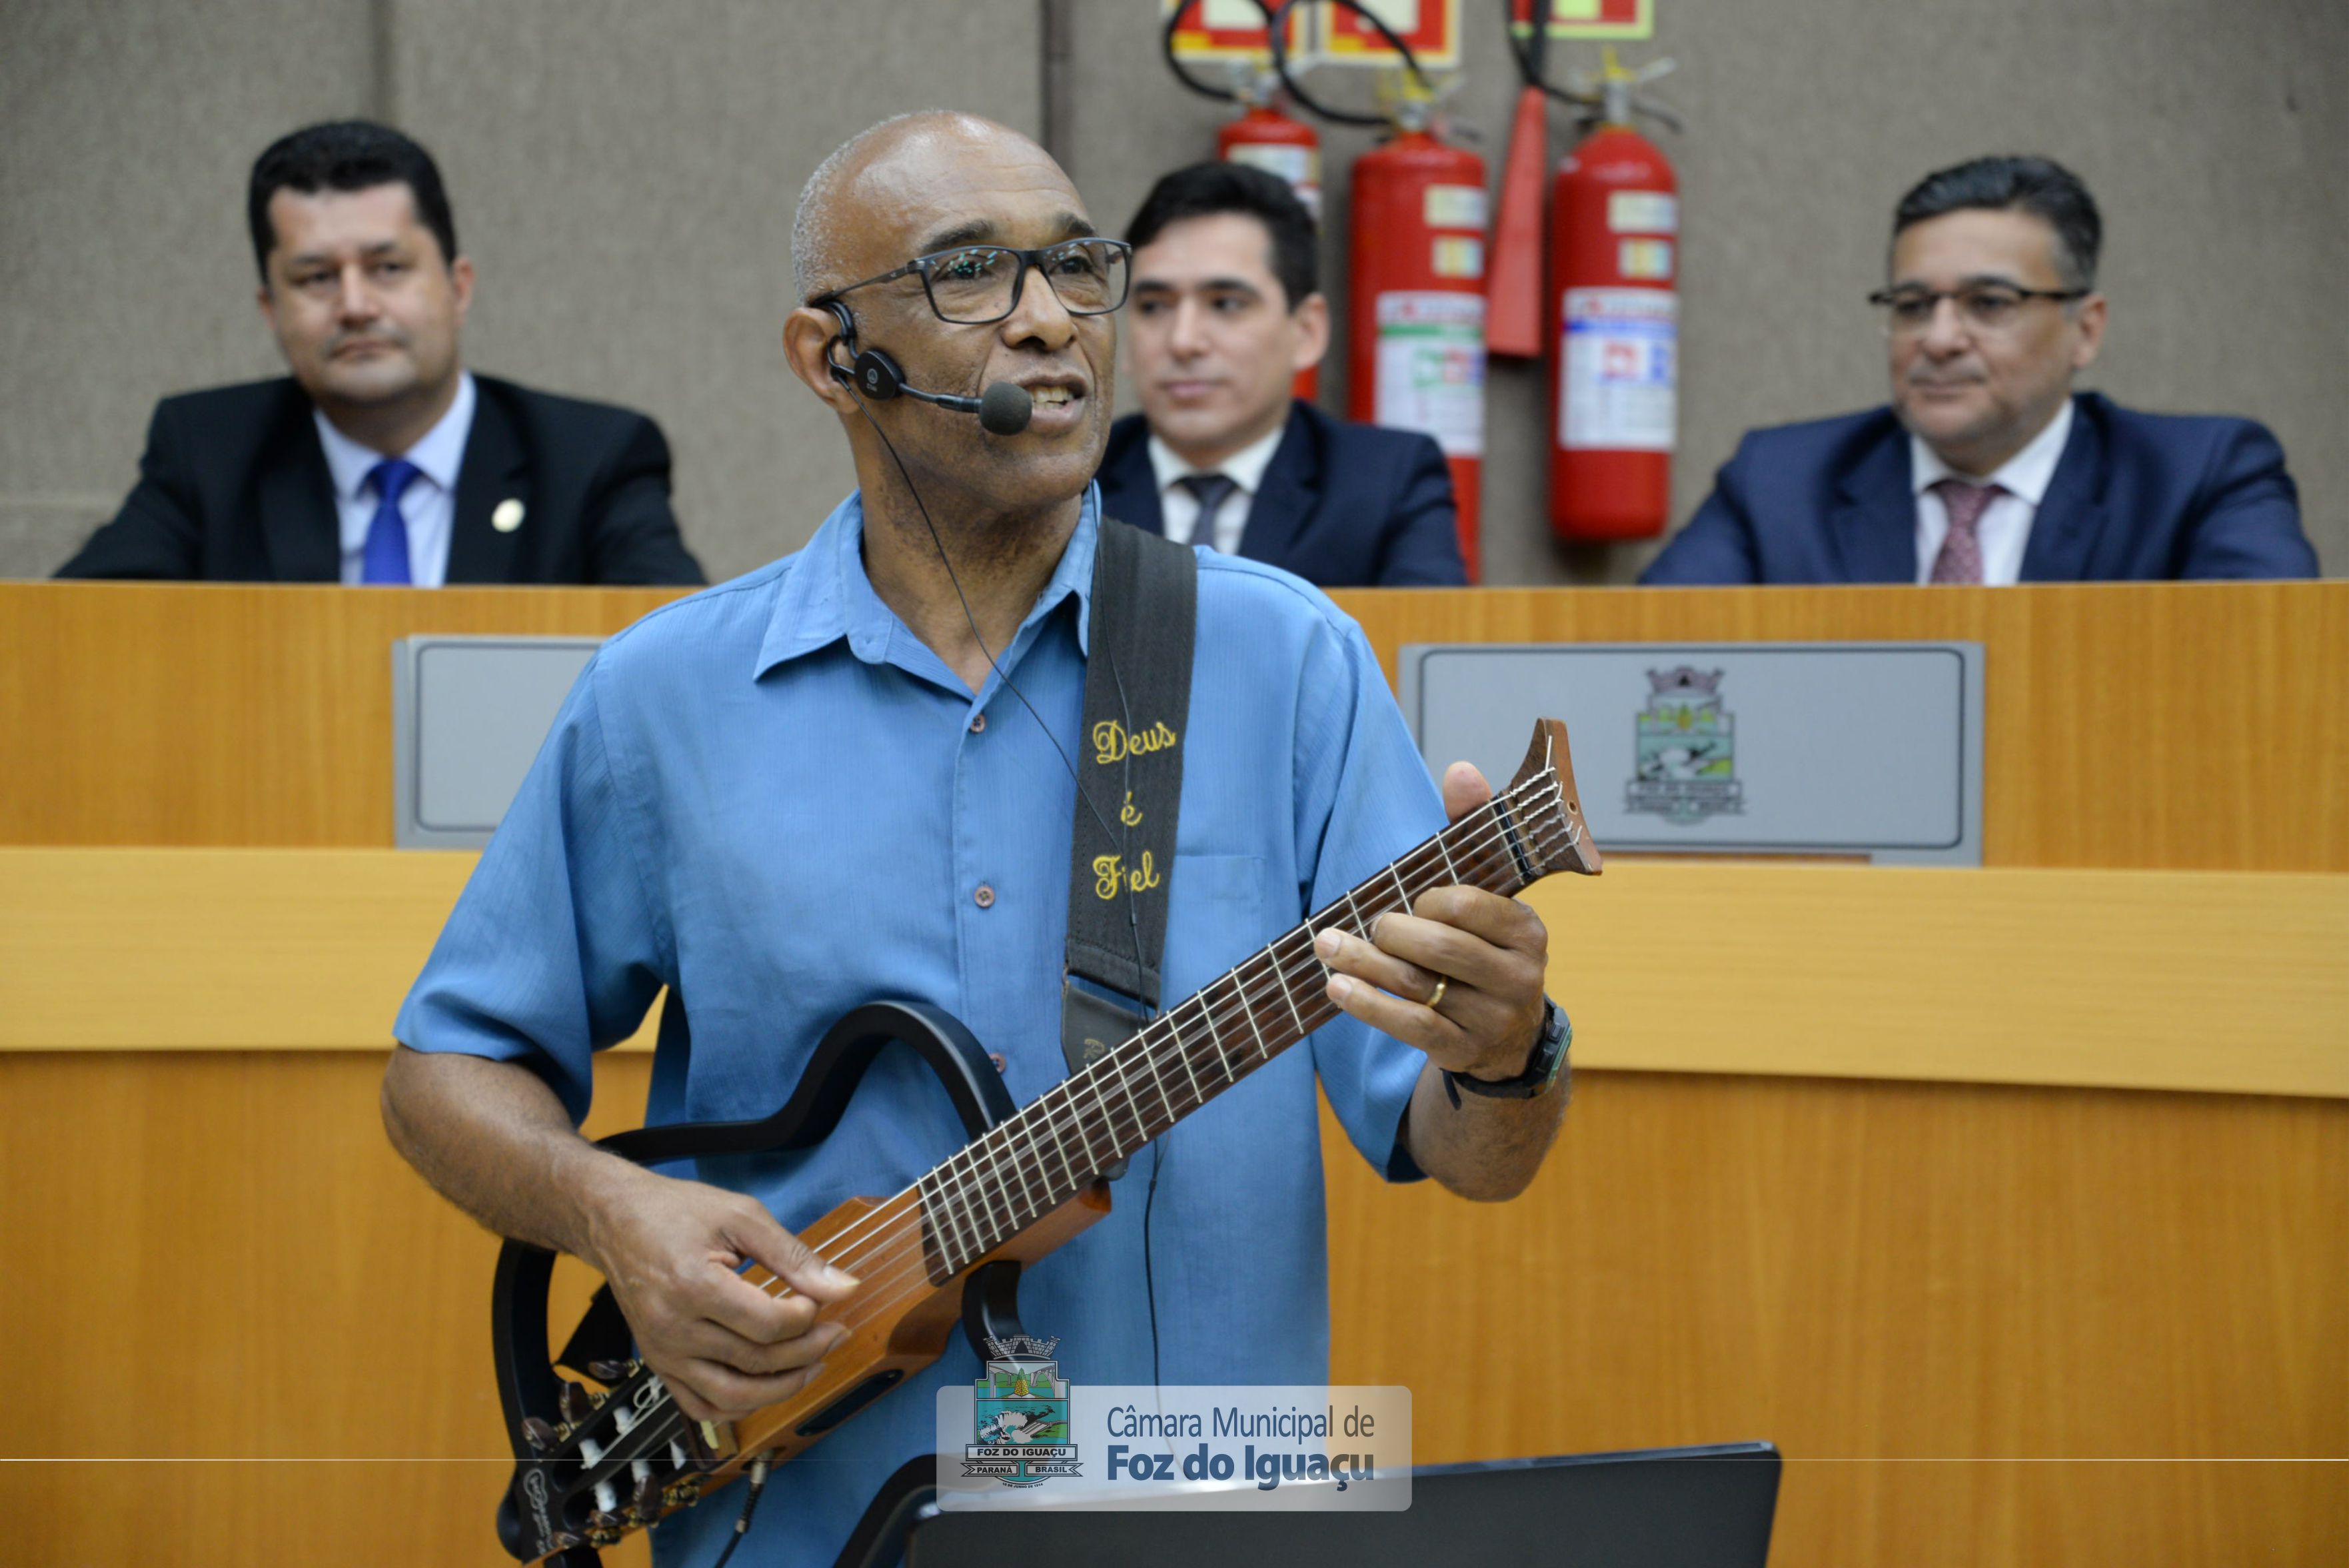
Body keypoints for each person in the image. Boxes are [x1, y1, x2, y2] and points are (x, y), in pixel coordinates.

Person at [379, 113, 1567, 1567]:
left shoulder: (1288, 657)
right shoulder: (664, 694)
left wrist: (1504, 1053)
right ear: (830, 357)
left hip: (1204, 1518)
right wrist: (617, 1213)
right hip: (792, 1520)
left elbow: (1475, 1155)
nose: (1049, 320)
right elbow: (442, 1074)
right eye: (968, 276)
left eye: (1077, 268)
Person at [55, 121, 704, 586]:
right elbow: (74, 634)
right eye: (315, 278)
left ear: (457, 287)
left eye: (387, 268)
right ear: (270, 310)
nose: (355, 304)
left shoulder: (592, 458)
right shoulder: (206, 453)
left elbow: (681, 654)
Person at [1642, 155, 2316, 584]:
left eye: (1988, 304)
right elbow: (1638, 668)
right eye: (1912, 306)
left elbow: (2263, 676)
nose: (1938, 339)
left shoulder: (2199, 477)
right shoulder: (1781, 484)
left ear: (2086, 329)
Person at [1093, 162, 1467, 587]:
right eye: (1154, 307)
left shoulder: (1386, 481)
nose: (1183, 341)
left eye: (1226, 304)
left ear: (1307, 331)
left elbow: (1427, 640)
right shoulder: (1074, 487)